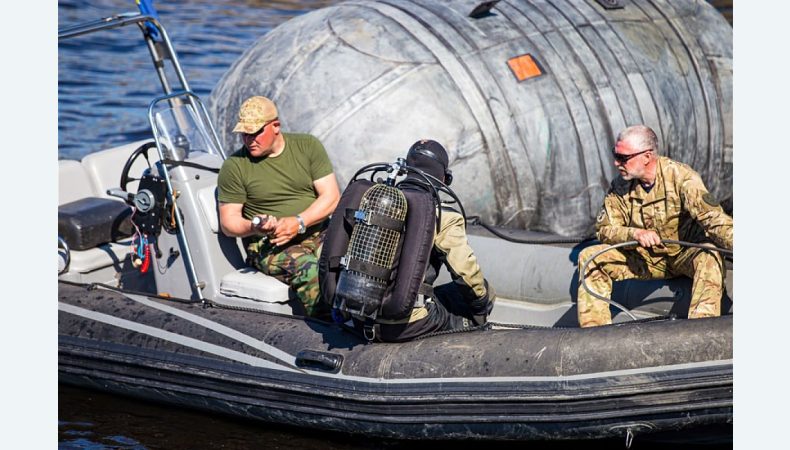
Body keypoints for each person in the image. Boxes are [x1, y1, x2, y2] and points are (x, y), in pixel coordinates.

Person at [576, 125, 733, 328]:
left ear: (647, 157)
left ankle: (701, 330)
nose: (616, 163)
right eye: (615, 155)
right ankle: (594, 333)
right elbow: (604, 229)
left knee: (709, 254)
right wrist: (635, 234)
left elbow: (713, 219)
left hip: (683, 256)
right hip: (645, 258)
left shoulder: (681, 178)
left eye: (623, 158)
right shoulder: (620, 187)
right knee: (590, 257)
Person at [217, 96, 340, 317]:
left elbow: (331, 197)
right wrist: (256, 227)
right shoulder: (234, 166)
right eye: (244, 133)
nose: (249, 139)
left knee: (354, 261)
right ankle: (328, 329)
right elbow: (229, 222)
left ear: (275, 126)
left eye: (255, 132)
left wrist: (299, 222)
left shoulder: (307, 146)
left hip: (319, 232)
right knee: (311, 271)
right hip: (270, 244)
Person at [375, 139, 494, 342]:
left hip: (359, 314)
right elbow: (466, 272)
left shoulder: (379, 202)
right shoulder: (442, 216)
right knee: (481, 295)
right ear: (444, 179)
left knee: (443, 293)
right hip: (404, 323)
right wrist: (481, 303)